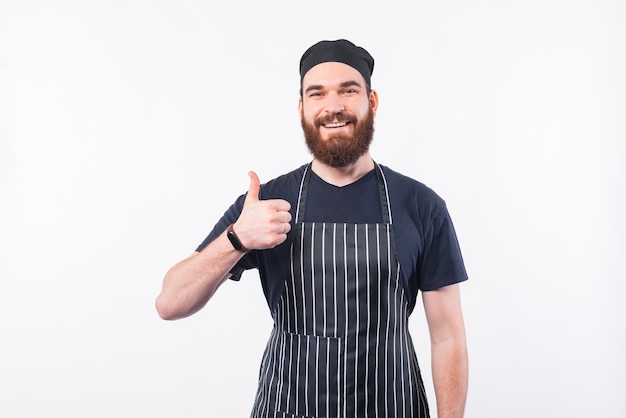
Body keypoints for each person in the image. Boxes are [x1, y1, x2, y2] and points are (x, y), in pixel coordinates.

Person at [156, 39, 469, 418]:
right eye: (317, 93)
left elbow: (448, 337)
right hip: (286, 407)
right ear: (302, 108)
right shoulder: (265, 203)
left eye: (348, 90)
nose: (333, 106)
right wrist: (238, 238)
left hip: (393, 405)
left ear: (371, 102)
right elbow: (170, 303)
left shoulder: (421, 205)